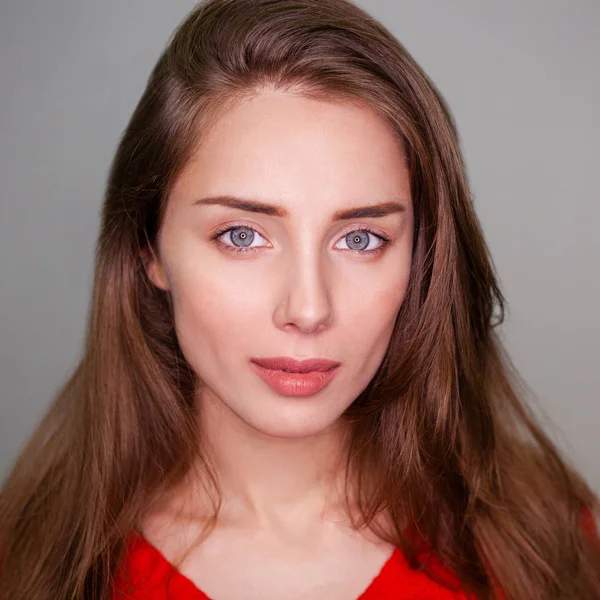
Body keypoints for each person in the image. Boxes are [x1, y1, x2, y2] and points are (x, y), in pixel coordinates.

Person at [1, 0, 599, 598]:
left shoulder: (550, 539)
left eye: (361, 239)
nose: (309, 310)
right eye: (242, 236)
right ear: (147, 249)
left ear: (421, 257)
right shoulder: (28, 565)